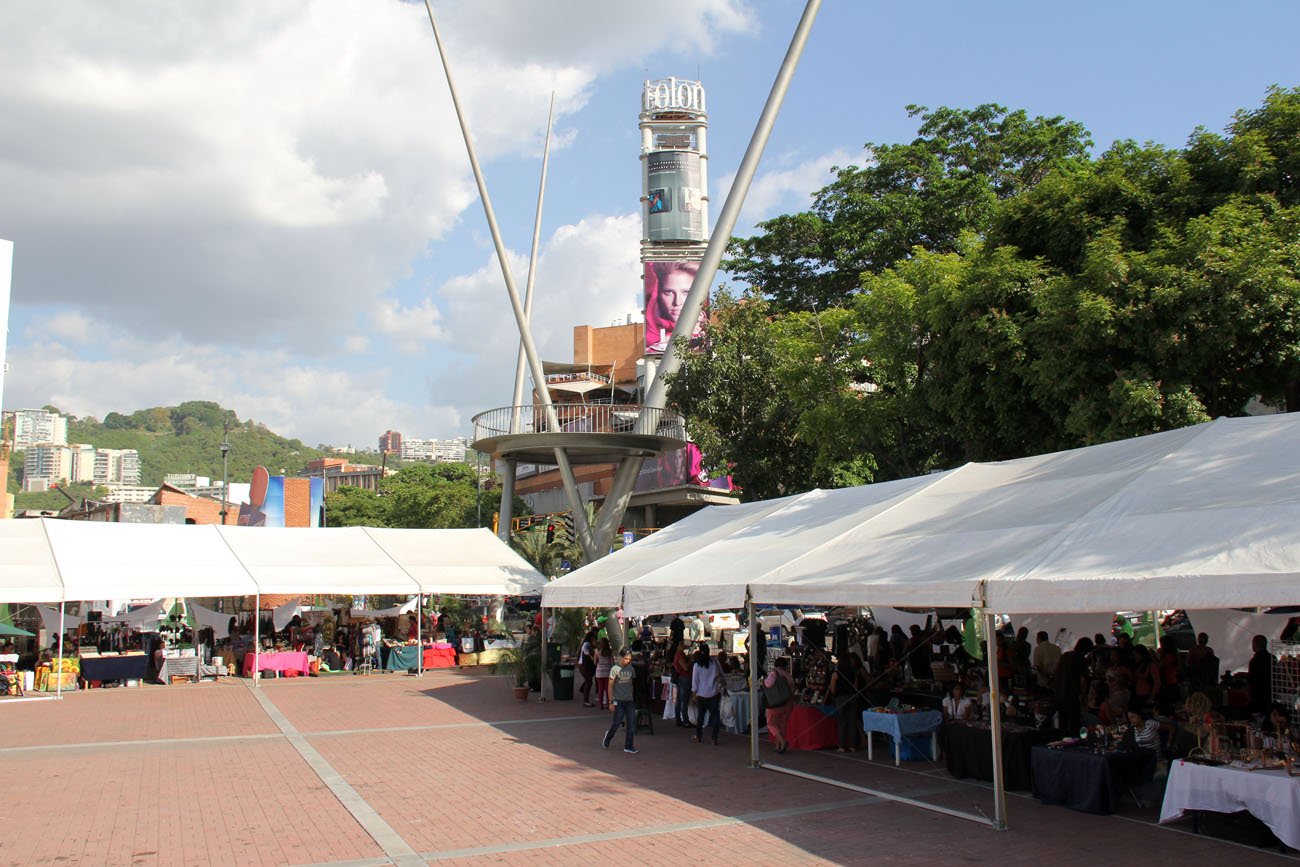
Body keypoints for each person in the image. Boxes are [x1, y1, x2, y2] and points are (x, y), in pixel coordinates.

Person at [644, 261, 704, 353]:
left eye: (686, 292)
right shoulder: (652, 342)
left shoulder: (703, 331)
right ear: (659, 294)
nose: (677, 302)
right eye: (669, 292)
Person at [602, 649, 639, 754]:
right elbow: (610, 685)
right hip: (619, 700)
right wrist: (611, 701)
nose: (627, 661)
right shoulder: (615, 669)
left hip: (629, 700)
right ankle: (609, 736)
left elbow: (631, 684)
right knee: (617, 723)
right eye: (626, 658)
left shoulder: (631, 669)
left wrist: (631, 695)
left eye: (629, 659)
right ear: (621, 657)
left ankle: (629, 745)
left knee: (631, 723)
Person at [829, 653, 867, 752]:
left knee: (842, 722)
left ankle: (842, 746)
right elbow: (855, 686)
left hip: (840, 698)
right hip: (852, 697)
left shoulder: (836, 674)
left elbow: (833, 689)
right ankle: (853, 745)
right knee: (852, 721)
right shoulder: (853, 673)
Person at [691, 644, 723, 745]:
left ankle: (699, 735)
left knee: (700, 716)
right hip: (713, 693)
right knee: (714, 716)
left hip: (701, 694)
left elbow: (695, 681)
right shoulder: (714, 663)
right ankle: (714, 737)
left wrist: (694, 694)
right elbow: (720, 675)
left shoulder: (697, 665)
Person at [763, 658, 796, 753]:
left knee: (771, 724)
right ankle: (779, 746)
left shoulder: (774, 674)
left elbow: (768, 685)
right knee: (782, 724)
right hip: (787, 704)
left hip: (775, 703)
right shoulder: (788, 676)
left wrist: (765, 680)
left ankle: (782, 742)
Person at [1249, 634, 1274, 714]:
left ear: (1255, 644)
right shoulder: (1272, 658)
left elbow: (1252, 680)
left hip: (1258, 696)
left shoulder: (1255, 661)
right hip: (1271, 694)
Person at [671, 639, 692, 728]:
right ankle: (685, 721)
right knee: (683, 700)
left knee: (679, 700)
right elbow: (686, 667)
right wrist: (691, 660)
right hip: (684, 678)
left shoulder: (680, 654)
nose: (683, 645)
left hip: (682, 678)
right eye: (681, 644)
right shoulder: (679, 656)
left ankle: (678, 719)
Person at [579, 629, 597, 707]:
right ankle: (585, 700)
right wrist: (591, 656)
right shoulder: (586, 644)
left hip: (583, 665)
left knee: (588, 680)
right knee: (589, 681)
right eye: (593, 638)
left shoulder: (588, 644)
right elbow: (586, 652)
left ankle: (583, 691)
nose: (594, 639)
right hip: (583, 665)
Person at [594, 638, 613, 710]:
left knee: (600, 689)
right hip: (607, 671)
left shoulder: (597, 651)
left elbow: (595, 662)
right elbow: (612, 662)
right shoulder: (610, 651)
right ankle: (608, 704)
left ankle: (601, 704)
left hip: (599, 672)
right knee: (607, 689)